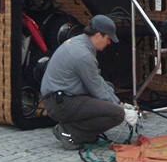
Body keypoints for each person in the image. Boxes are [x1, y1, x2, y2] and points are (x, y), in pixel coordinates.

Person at [40, 15, 126, 150]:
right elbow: (97, 89)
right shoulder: (83, 55)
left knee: (109, 88)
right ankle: (69, 132)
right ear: (98, 35)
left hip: (59, 97)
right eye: (108, 38)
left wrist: (120, 103)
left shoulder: (79, 42)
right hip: (60, 103)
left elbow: (97, 80)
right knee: (117, 114)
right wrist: (124, 110)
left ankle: (80, 131)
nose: (109, 43)